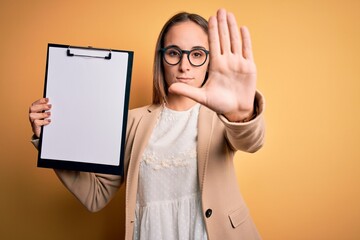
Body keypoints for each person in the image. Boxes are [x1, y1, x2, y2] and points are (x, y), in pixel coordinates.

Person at [29, 8, 265, 240]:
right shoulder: (132, 122)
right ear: (161, 58)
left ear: (209, 61)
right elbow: (95, 196)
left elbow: (251, 141)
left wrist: (241, 112)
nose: (185, 66)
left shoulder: (222, 115)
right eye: (174, 53)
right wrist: (50, 142)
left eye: (197, 54)